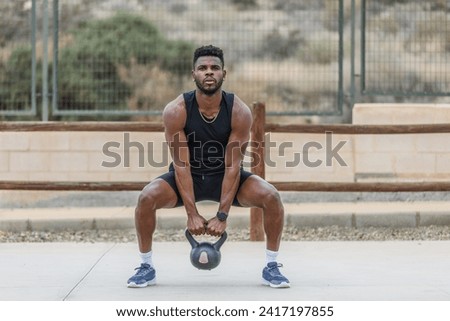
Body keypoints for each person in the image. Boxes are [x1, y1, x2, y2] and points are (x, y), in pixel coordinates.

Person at [127, 45, 290, 288]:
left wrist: (222, 215)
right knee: (146, 198)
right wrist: (191, 213)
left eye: (214, 68)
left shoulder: (239, 111)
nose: (209, 73)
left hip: (224, 177)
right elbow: (181, 165)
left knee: (271, 196)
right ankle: (146, 266)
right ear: (193, 74)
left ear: (224, 73)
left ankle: (272, 266)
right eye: (203, 68)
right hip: (187, 177)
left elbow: (233, 165)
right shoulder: (176, 111)